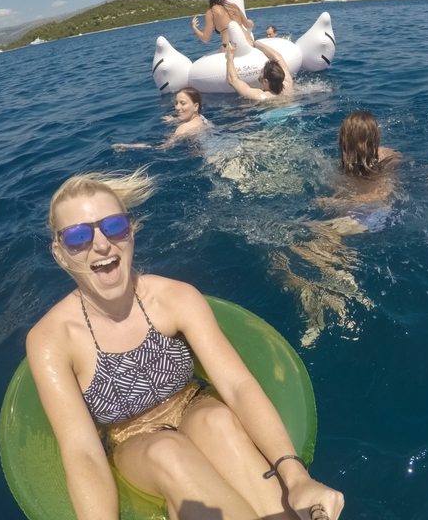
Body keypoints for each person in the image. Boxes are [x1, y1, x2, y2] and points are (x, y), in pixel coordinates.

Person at [27, 168, 343, 520]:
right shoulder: (51, 339)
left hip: (193, 406)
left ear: (131, 230)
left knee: (220, 422)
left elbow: (237, 386)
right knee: (167, 450)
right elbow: (82, 451)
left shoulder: (175, 298)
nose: (101, 244)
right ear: (59, 252)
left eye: (114, 226)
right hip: (133, 441)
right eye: (78, 236)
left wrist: (297, 477)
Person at [273, 111, 401, 346]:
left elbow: (381, 194)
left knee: (300, 246)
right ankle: (331, 295)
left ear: (346, 139)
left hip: (374, 215)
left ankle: (340, 295)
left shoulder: (387, 160)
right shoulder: (348, 165)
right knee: (296, 248)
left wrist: (335, 203)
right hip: (359, 216)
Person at [113, 87, 209, 151]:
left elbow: (162, 147)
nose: (177, 107)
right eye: (176, 103)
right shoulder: (203, 120)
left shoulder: (182, 129)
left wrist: (129, 146)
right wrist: (174, 120)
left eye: (182, 103)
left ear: (196, 106)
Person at [225, 40, 294, 101]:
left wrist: (230, 56)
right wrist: (255, 43)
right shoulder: (287, 84)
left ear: (265, 81)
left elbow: (232, 80)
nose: (259, 71)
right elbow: (278, 58)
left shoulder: (261, 96)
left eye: (261, 72)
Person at [191, 0, 255, 50]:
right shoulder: (234, 6)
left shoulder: (211, 12)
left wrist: (194, 28)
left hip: (230, 46)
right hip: (248, 41)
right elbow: (248, 26)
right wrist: (251, 23)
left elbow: (205, 38)